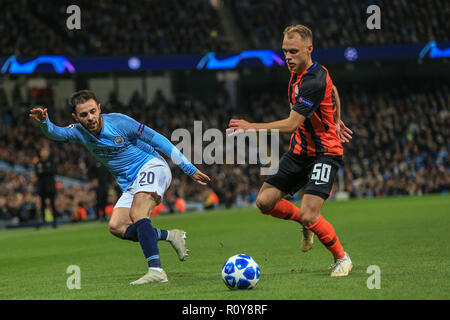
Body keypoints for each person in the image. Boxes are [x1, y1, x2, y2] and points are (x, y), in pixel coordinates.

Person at [29, 90, 211, 284]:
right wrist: (44, 122)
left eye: (93, 111)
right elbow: (56, 133)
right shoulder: (79, 132)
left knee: (138, 213)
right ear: (76, 117)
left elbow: (158, 140)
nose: (90, 118)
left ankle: (156, 270)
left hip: (152, 166)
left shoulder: (120, 123)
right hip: (131, 183)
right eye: (84, 114)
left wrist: (188, 168)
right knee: (116, 227)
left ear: (99, 108)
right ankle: (169, 236)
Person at [228, 25, 354, 277]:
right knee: (264, 203)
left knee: (310, 214)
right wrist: (337, 117)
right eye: (285, 51)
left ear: (309, 49)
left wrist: (251, 126)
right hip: (299, 151)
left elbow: (291, 124)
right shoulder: (301, 74)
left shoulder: (313, 81)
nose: (288, 57)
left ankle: (342, 258)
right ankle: (305, 224)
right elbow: (335, 90)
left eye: (293, 51)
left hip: (325, 152)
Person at [34, 146, 58, 228]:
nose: (44, 153)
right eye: (42, 151)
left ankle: (55, 221)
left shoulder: (51, 162)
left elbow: (54, 171)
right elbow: (37, 173)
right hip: (42, 186)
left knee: (52, 203)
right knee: (42, 204)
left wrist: (44, 171)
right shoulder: (38, 162)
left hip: (50, 185)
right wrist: (46, 171)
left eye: (45, 151)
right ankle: (43, 221)